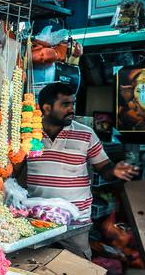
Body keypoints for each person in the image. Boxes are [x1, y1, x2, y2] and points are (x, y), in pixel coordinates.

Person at [16, 83, 138, 259]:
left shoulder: (86, 134)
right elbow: (16, 169)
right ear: (47, 108)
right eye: (65, 104)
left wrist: (115, 171)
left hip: (76, 219)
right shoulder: (27, 135)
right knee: (37, 263)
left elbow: (104, 168)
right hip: (38, 216)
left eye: (72, 103)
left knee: (80, 264)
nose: (72, 109)